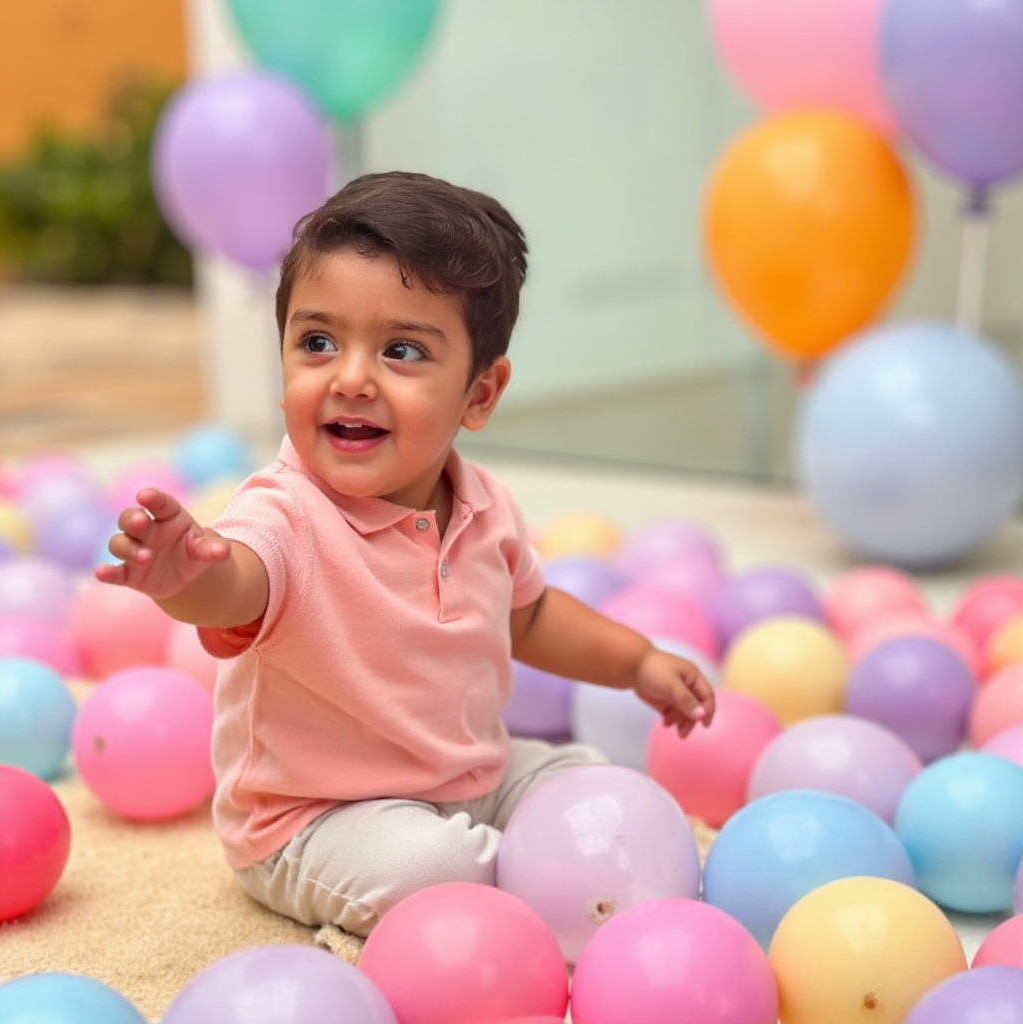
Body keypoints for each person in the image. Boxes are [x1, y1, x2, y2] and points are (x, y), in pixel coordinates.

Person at [96, 170, 715, 937]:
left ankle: (547, 869)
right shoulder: (285, 514)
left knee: (586, 782)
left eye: (401, 350)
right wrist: (187, 579)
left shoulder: (486, 506)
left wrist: (636, 663)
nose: (350, 378)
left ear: (479, 395)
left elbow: (531, 616)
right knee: (434, 871)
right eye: (317, 342)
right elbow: (239, 584)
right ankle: (533, 894)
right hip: (317, 819)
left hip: (469, 777)